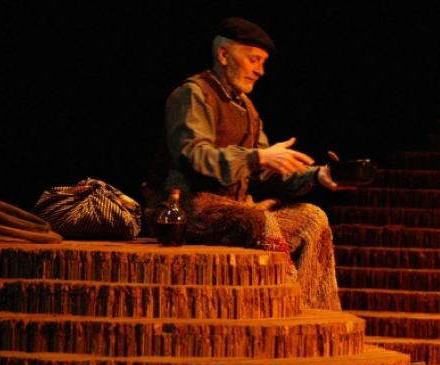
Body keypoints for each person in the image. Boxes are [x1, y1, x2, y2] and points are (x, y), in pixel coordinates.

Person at [145, 17, 346, 310]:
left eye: (263, 63)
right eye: (253, 60)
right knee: (258, 220)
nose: (260, 71)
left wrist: (317, 176)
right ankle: (280, 307)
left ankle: (314, 307)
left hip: (234, 211)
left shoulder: (247, 109)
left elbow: (264, 170)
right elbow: (194, 155)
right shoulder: (193, 94)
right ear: (223, 55)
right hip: (186, 211)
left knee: (312, 218)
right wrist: (256, 157)